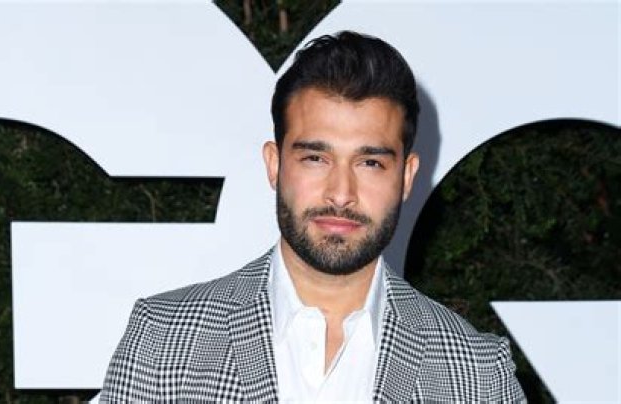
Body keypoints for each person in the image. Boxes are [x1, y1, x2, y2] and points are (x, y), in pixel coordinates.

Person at [100, 31, 525, 402]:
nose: (341, 193)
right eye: (316, 158)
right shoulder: (163, 341)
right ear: (274, 165)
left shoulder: (478, 373)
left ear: (407, 177)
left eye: (370, 163)